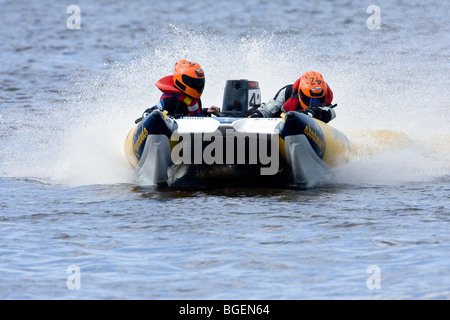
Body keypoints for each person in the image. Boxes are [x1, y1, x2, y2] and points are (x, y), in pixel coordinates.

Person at [136, 59, 219, 123]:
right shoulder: (171, 100)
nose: (198, 85)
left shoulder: (192, 98)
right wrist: (154, 114)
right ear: (182, 80)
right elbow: (147, 112)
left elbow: (194, 115)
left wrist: (206, 111)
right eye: (194, 82)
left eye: (199, 82)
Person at [247, 71, 336, 123]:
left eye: (319, 100)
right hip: (282, 125)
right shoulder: (287, 92)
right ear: (301, 94)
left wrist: (312, 112)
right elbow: (269, 108)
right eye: (310, 100)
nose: (314, 104)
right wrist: (257, 115)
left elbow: (331, 112)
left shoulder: (326, 105)